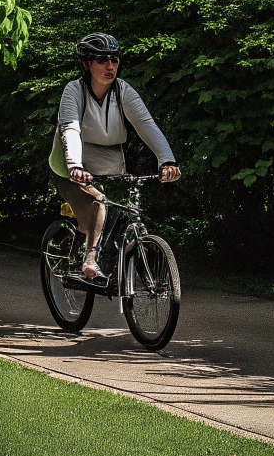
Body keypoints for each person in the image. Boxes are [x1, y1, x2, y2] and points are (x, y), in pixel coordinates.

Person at [49, 33, 180, 280]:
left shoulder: (123, 91)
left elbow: (146, 125)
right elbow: (70, 129)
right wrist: (75, 165)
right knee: (99, 202)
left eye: (114, 60)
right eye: (102, 60)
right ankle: (89, 260)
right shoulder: (74, 91)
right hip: (69, 162)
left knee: (124, 210)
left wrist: (167, 160)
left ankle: (131, 266)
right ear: (87, 63)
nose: (110, 66)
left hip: (109, 160)